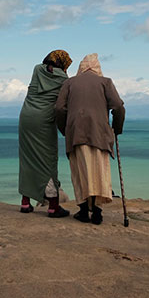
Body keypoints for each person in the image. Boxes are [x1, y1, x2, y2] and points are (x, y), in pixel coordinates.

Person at [55, 53, 125, 225]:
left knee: (80, 173)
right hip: (99, 134)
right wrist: (117, 128)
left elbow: (58, 108)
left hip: (76, 133)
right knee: (99, 172)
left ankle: (84, 210)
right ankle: (98, 212)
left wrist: (65, 129)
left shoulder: (69, 83)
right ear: (97, 67)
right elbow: (118, 106)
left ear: (81, 67)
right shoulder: (105, 82)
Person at [18, 50, 72, 218]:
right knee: (47, 159)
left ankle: (25, 203)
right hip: (44, 121)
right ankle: (53, 206)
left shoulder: (36, 69)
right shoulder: (64, 80)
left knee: (27, 159)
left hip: (26, 117)